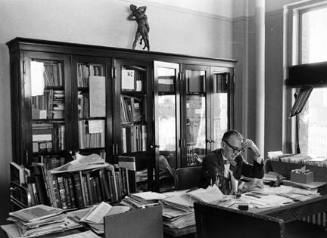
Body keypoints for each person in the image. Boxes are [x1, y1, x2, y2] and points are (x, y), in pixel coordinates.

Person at [200, 130, 264, 194]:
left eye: (239, 150)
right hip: (211, 200)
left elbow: (258, 174)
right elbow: (219, 185)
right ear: (223, 145)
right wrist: (245, 186)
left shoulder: (237, 159)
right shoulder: (211, 159)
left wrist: (256, 150)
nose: (236, 153)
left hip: (230, 200)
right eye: (234, 148)